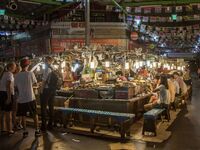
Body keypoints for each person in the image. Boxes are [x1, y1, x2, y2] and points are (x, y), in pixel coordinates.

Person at [15, 59, 41, 137]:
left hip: (21, 99)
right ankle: (37, 131)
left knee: (23, 116)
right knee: (34, 115)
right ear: (27, 65)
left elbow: (16, 88)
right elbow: (35, 84)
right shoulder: (30, 73)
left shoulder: (17, 75)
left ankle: (25, 132)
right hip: (30, 98)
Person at [0, 62, 16, 135]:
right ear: (10, 67)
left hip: (2, 94)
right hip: (7, 94)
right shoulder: (9, 74)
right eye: (14, 67)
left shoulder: (3, 74)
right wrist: (9, 97)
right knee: (8, 113)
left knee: (2, 112)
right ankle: (9, 130)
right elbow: (8, 86)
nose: (15, 68)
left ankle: (3, 128)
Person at [40, 56, 55, 132]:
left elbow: (44, 81)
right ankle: (50, 125)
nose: (44, 61)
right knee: (51, 107)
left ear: (48, 60)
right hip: (52, 90)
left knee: (43, 108)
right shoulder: (53, 68)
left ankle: (44, 126)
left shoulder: (47, 69)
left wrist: (41, 90)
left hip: (46, 90)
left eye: (45, 60)